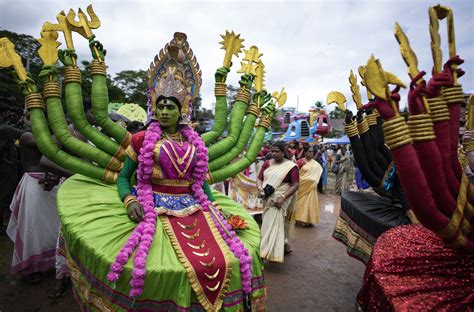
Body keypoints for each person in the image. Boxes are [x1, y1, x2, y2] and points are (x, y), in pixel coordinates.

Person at [53, 35, 267, 311]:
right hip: (150, 207)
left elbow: (200, 183)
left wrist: (214, 207)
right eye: (161, 105)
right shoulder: (141, 139)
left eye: (171, 106)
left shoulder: (195, 143)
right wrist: (129, 201)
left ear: (182, 111)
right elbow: (123, 178)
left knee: (226, 260)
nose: (164, 111)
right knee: (149, 269)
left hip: (194, 208)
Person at [257, 141, 299, 262]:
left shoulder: (291, 166)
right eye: (272, 151)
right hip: (267, 196)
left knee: (274, 223)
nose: (274, 154)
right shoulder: (267, 164)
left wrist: (283, 197)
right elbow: (260, 179)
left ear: (283, 152)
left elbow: (295, 185)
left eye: (277, 151)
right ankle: (281, 247)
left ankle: (265, 252)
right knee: (268, 222)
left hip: (281, 197)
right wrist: (260, 189)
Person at [0, 103, 24, 235]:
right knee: (4, 196)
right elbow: (23, 134)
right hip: (5, 168)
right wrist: (27, 123)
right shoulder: (4, 129)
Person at [295, 145, 323, 227]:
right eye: (309, 152)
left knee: (310, 204)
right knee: (301, 203)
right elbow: (295, 174)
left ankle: (308, 221)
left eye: (312, 152)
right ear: (305, 152)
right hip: (302, 188)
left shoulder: (316, 164)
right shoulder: (300, 162)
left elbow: (318, 175)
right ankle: (299, 220)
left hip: (312, 188)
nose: (312, 153)